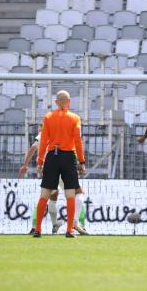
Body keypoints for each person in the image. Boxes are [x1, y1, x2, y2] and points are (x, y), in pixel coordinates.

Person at [33, 90, 86, 238]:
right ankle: (69, 230)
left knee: (44, 194)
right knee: (70, 194)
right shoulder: (75, 118)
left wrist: (40, 161)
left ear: (56, 102)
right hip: (68, 157)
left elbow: (43, 141)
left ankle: (37, 229)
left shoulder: (48, 117)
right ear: (69, 102)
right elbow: (78, 141)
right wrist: (82, 161)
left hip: (52, 157)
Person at [19, 132, 88, 235]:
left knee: (49, 195)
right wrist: (80, 163)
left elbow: (33, 148)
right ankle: (74, 222)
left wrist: (25, 165)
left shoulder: (43, 133)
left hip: (49, 167)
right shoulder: (65, 130)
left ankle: (43, 226)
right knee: (78, 192)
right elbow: (74, 146)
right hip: (63, 165)